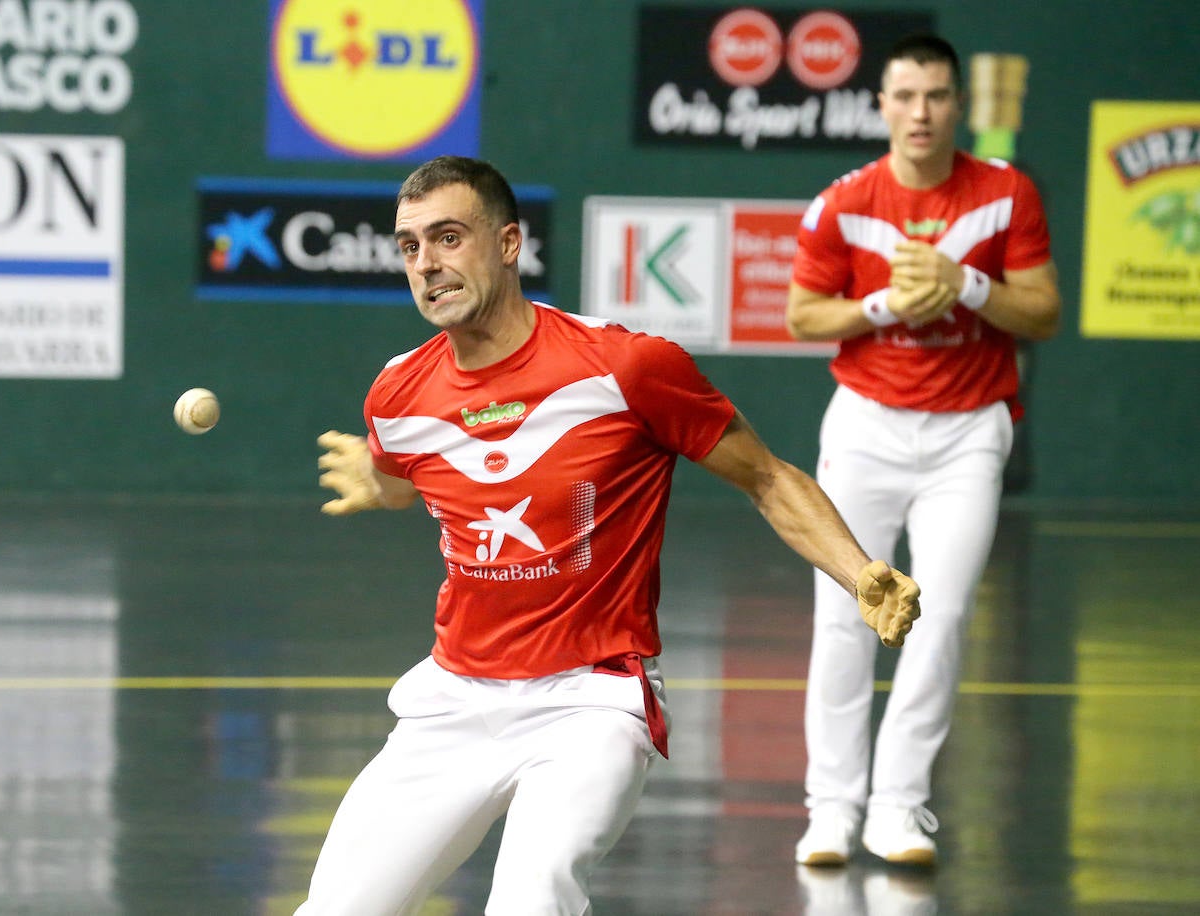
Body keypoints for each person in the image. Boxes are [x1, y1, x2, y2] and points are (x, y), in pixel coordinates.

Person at [298, 154, 921, 915]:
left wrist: (859, 572)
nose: (427, 264)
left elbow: (766, 476)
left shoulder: (624, 368)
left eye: (449, 237)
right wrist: (379, 483)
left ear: (507, 243)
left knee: (532, 900)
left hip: (590, 701)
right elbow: (400, 476)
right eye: (410, 246)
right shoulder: (397, 393)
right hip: (453, 699)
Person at [786, 34, 1061, 869]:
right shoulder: (844, 202)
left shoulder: (1008, 194)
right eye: (905, 96)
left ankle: (898, 809)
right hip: (865, 428)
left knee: (938, 618)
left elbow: (1043, 313)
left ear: (958, 105)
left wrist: (964, 284)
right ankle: (831, 810)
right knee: (845, 616)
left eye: (937, 96)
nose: (921, 112)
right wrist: (884, 305)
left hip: (969, 433)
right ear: (881, 105)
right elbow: (804, 315)